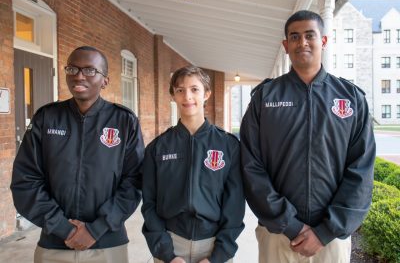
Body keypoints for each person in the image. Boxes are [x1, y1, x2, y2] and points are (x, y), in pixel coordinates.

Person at [240, 10, 376, 263]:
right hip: (278, 234)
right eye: (294, 36)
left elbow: (361, 170)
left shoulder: (351, 98)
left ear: (323, 40)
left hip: (331, 239)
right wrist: (289, 224)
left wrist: (325, 231)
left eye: (309, 35)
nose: (302, 42)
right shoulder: (265, 98)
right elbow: (251, 166)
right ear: (285, 45)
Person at [10, 46, 145, 263]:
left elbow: (134, 182)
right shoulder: (47, 118)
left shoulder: (124, 121)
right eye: (72, 69)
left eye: (90, 70)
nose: (79, 76)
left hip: (108, 244)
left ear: (105, 81)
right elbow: (25, 181)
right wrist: (65, 229)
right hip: (54, 244)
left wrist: (96, 228)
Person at [141, 65, 245, 263]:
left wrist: (219, 255)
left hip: (213, 246)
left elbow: (235, 204)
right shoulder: (157, 147)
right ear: (173, 95)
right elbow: (149, 203)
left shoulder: (228, 145)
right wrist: (166, 253)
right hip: (171, 244)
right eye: (180, 90)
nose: (187, 96)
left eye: (194, 89)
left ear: (207, 94)